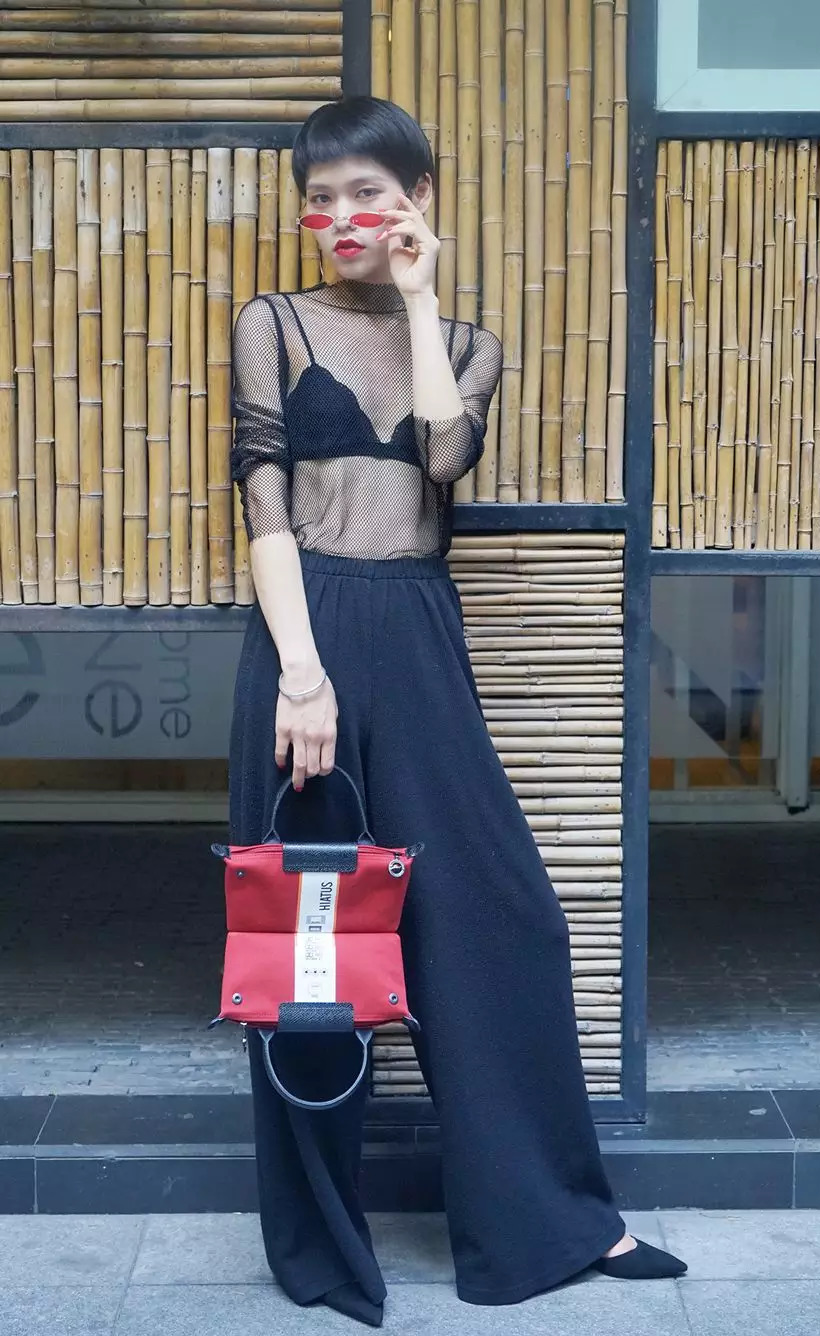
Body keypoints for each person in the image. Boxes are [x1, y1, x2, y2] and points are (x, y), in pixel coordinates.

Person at [228, 94, 687, 1329]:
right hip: (305, 637)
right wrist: (303, 674)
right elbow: (265, 507)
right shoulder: (272, 322)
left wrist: (422, 298)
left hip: (422, 635)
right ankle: (323, 1250)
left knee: (499, 921)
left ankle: (554, 1223)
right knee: (314, 939)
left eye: (366, 194)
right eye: (320, 198)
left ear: (418, 200)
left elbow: (441, 461)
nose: (340, 217)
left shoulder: (469, 343)